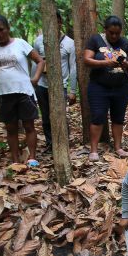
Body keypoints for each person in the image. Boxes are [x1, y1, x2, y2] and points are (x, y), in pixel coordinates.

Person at [0, 14, 44, 166]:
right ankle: (16, 160)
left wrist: (36, 78)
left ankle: (32, 158)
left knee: (29, 126)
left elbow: (39, 60)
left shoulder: (20, 43)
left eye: (1, 29)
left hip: (24, 91)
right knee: (11, 128)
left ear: (8, 28)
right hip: (3, 93)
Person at [83, 15, 128, 162]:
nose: (114, 36)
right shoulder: (95, 40)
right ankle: (94, 150)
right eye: (111, 33)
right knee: (98, 116)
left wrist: (127, 64)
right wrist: (106, 63)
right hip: (98, 87)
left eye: (117, 33)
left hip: (121, 87)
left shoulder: (125, 43)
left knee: (118, 118)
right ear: (105, 30)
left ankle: (118, 147)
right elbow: (86, 60)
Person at [32, 11, 78, 153]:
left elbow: (73, 68)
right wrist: (33, 84)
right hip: (41, 85)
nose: (53, 25)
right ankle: (50, 144)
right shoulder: (39, 41)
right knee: (46, 116)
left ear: (60, 23)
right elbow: (35, 63)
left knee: (60, 116)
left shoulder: (69, 43)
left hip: (60, 86)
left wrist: (72, 91)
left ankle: (63, 144)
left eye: (56, 22)